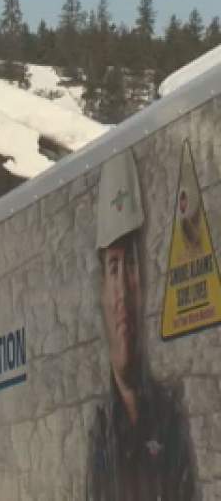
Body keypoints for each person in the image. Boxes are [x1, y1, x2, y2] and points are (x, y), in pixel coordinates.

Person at [86, 150, 196, 500]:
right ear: (101, 287)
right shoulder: (100, 432)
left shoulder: (170, 418)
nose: (122, 293)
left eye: (131, 264)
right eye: (113, 267)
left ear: (145, 278)